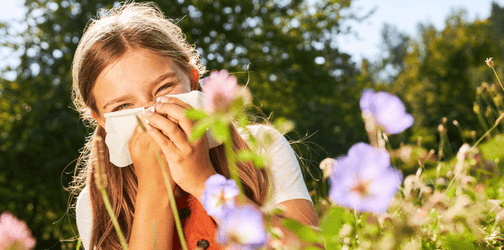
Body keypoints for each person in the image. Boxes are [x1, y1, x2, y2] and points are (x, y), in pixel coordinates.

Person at [70, 2, 318, 249]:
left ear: (192, 78)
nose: (150, 114)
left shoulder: (260, 149)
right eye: (122, 107)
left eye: (164, 88)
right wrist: (155, 192)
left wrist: (203, 180)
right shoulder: (96, 204)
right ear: (101, 120)